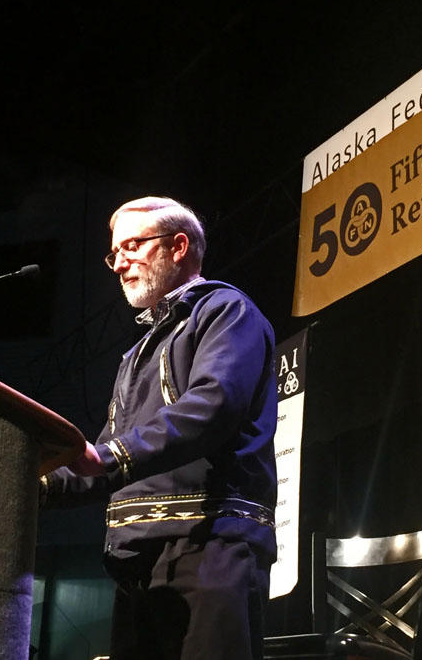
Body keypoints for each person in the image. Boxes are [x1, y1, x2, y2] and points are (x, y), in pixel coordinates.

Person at [41, 196, 278, 660]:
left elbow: (213, 407)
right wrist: (33, 484)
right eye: (115, 252)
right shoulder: (137, 353)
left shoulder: (226, 311)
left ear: (178, 246)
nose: (119, 262)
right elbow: (104, 455)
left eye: (133, 245)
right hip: (137, 560)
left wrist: (108, 457)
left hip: (209, 545)